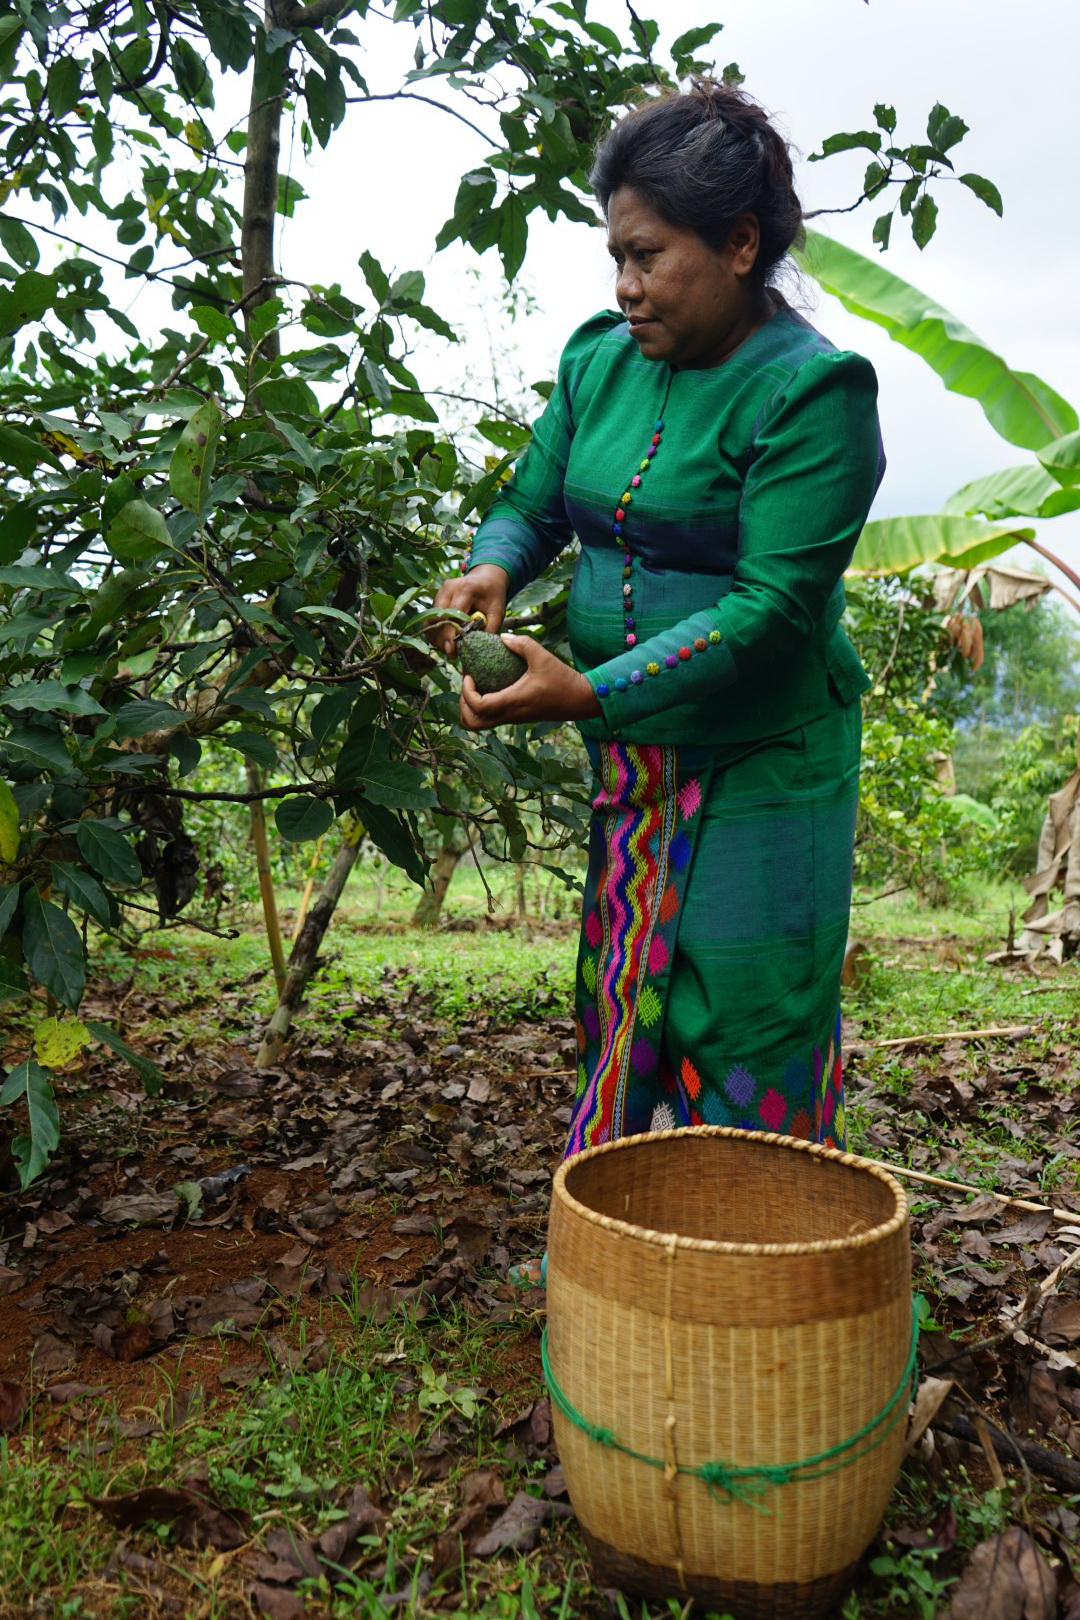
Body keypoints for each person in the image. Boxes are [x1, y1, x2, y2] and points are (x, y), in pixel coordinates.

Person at [432, 84, 884, 1202]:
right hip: (635, 763)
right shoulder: (600, 361)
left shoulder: (813, 393)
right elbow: (532, 500)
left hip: (763, 760)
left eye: (649, 256)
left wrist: (588, 691)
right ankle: (644, 1253)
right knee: (630, 991)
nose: (626, 288)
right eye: (615, 258)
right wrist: (494, 562)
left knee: (742, 1006)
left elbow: (773, 609)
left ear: (739, 245)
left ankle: (761, 1271)